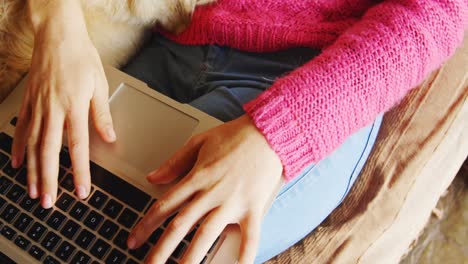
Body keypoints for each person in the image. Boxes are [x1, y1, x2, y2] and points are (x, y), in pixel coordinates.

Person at [11, 0, 466, 263]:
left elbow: (437, 11)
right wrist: (58, 27)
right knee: (32, 193)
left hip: (309, 75)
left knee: (153, 244)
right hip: (174, 35)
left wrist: (277, 135)